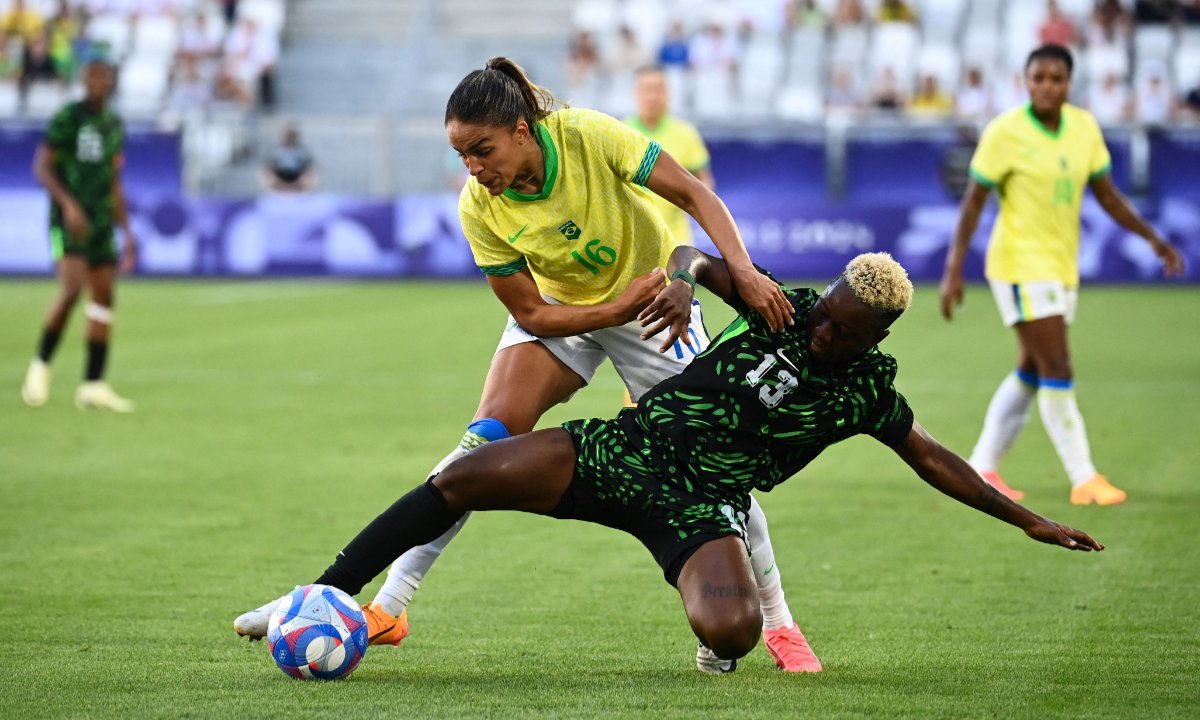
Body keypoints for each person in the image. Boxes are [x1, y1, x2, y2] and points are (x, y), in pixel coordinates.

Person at [247, 247, 1104, 674]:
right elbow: (694, 252)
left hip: (700, 507)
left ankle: (743, 635)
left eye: (842, 328)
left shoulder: (867, 394)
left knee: (728, 630)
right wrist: (686, 278)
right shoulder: (783, 306)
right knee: (462, 473)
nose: (823, 328)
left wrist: (1027, 518)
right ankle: (327, 589)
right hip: (626, 449)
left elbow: (933, 459)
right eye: (826, 311)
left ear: (875, 335)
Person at [234, 57, 817, 673]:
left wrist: (744, 274)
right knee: (480, 446)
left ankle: (778, 620)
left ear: (521, 128)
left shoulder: (589, 136)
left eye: (482, 150)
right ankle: (374, 603)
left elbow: (696, 194)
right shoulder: (479, 206)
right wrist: (607, 307)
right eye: (462, 156)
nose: (475, 169)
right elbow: (533, 315)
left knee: (711, 462)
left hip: (652, 309)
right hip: (566, 312)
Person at [939, 44, 1184, 506]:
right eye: (1038, 78)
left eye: (1056, 78)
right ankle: (1084, 476)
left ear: (1069, 83)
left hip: (1059, 267)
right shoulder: (1004, 132)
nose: (1046, 86)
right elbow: (973, 202)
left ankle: (982, 467)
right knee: (1058, 365)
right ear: (1025, 81)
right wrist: (954, 268)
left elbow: (1107, 195)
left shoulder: (1084, 128)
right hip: (1018, 266)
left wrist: (1152, 237)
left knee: (1032, 369)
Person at [21, 58, 137, 412]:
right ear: (83, 80)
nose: (97, 83)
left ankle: (93, 384)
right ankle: (40, 365)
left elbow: (114, 181)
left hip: (101, 222)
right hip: (67, 221)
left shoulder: (113, 124)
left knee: (103, 299)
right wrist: (68, 205)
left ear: (111, 81)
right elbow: (41, 167)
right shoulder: (68, 118)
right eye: (91, 76)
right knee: (72, 289)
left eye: (103, 76)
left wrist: (127, 231)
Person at [623, 65, 713, 247]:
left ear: (668, 93)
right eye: (647, 90)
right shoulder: (621, 132)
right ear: (636, 93)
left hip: (677, 240)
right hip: (633, 242)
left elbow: (705, 182)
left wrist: (688, 201)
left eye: (659, 89)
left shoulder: (686, 133)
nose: (653, 96)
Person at [258, 123, 317, 193]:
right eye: (287, 136)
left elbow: (309, 165)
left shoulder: (301, 150)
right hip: (281, 173)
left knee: (310, 172)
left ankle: (300, 189)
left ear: (295, 137)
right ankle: (275, 188)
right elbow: (267, 165)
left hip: (296, 173)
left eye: (291, 136)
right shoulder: (275, 150)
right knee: (266, 172)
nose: (289, 138)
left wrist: (305, 176)